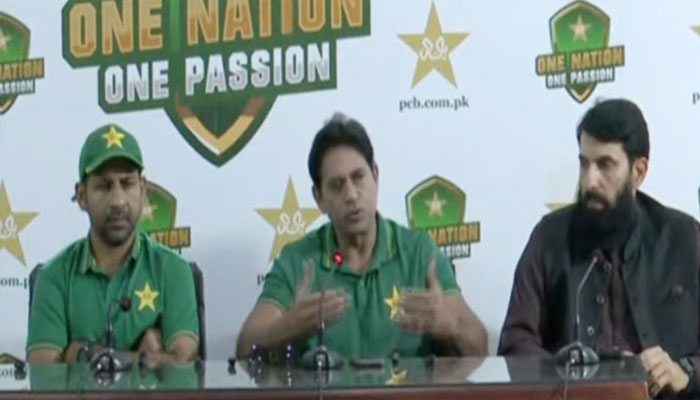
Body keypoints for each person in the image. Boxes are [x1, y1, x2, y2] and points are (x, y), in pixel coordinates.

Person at [237, 113, 487, 360]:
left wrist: (451, 326)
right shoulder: (298, 260)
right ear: (319, 198)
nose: (351, 195)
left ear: (375, 175)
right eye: (337, 185)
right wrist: (291, 326)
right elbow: (245, 349)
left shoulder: (419, 253)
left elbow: (480, 348)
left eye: (358, 178)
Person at [498, 99, 700, 398]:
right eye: (584, 164)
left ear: (638, 172)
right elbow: (516, 344)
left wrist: (685, 372)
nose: (589, 181)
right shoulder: (549, 238)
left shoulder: (684, 238)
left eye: (605, 165)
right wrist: (573, 373)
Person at [27, 124, 199, 365]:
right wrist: (145, 359)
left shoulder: (173, 270)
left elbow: (183, 363)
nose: (118, 200)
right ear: (82, 196)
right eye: (103, 186)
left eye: (127, 184)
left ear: (143, 189)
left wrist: (85, 354)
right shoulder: (54, 276)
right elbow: (43, 370)